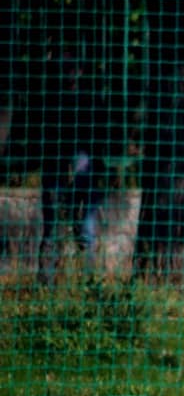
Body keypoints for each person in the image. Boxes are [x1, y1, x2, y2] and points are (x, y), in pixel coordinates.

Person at [36, 52, 107, 286]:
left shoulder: (89, 100)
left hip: (81, 167)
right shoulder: (50, 100)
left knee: (83, 229)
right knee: (55, 229)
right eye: (64, 68)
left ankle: (88, 283)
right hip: (59, 166)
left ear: (81, 70)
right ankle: (50, 284)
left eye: (73, 67)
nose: (70, 73)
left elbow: (99, 138)